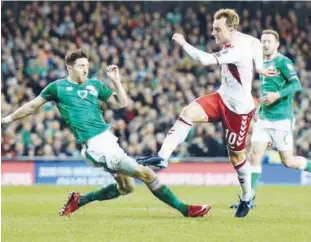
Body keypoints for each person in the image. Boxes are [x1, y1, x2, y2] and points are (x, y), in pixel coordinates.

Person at [1, 48, 210, 218]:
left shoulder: (95, 85)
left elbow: (122, 103)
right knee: (146, 174)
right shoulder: (57, 88)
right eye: (81, 66)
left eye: (87, 66)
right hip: (95, 145)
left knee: (127, 188)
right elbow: (31, 106)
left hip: (109, 140)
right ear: (69, 68)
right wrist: (7, 119)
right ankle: (185, 210)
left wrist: (116, 81)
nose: (85, 69)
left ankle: (79, 200)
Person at [137, 8, 276, 218]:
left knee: (237, 157)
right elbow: (257, 45)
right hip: (221, 97)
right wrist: (260, 68)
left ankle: (247, 197)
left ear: (231, 29)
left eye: (217, 29)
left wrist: (183, 43)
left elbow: (203, 60)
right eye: (213, 28)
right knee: (187, 112)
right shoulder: (250, 41)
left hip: (238, 110)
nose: (213, 33)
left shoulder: (236, 49)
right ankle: (163, 157)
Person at [230, 29, 311, 209]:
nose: (265, 44)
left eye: (268, 41)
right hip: (265, 118)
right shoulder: (261, 63)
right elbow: (265, 90)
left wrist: (277, 95)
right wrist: (260, 107)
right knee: (254, 156)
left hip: (282, 119)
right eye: (263, 41)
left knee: (288, 162)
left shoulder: (283, 61)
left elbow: (296, 85)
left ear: (277, 44)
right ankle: (248, 198)